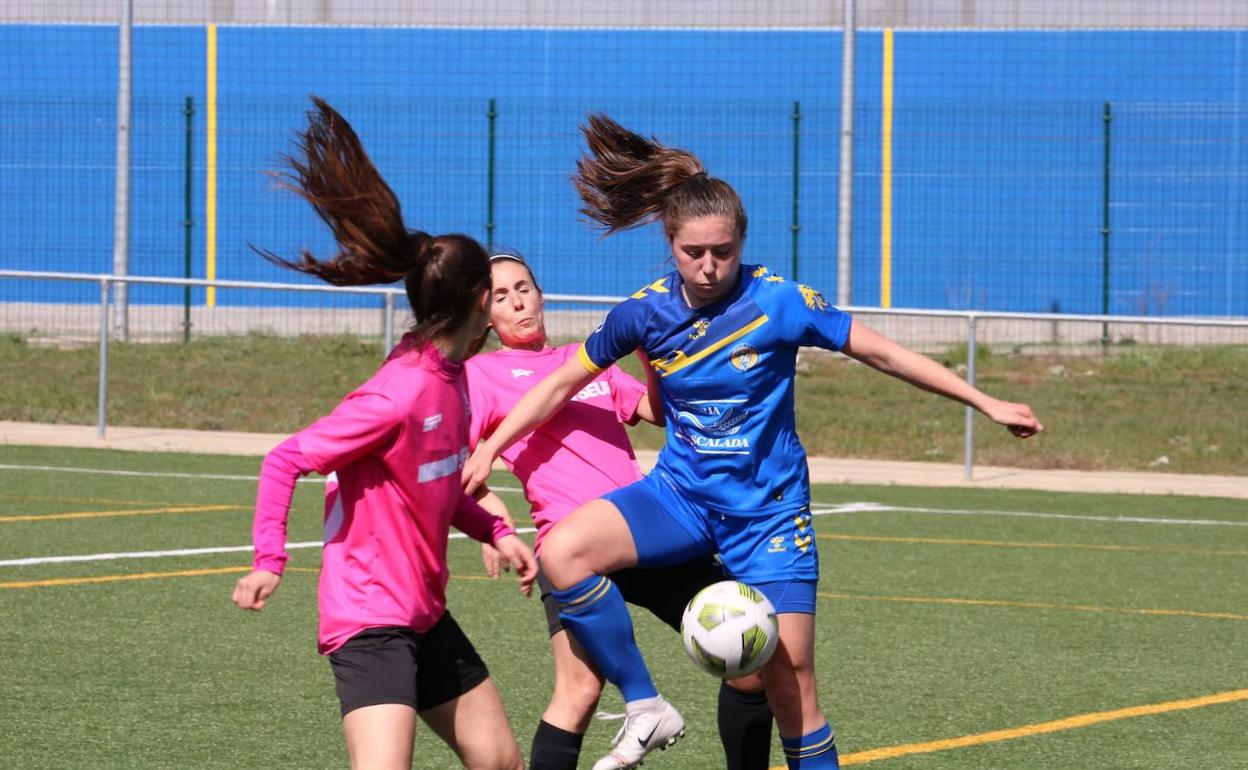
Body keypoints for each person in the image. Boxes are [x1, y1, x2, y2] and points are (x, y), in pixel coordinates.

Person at [462, 114, 1044, 770]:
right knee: (564, 551)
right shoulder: (644, 311)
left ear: (741, 241)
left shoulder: (779, 302)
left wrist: (984, 401)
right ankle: (646, 703)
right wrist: (489, 447)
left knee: (790, 688)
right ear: (670, 243)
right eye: (694, 253)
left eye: (724, 251)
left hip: (769, 517)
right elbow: (558, 385)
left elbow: (883, 353)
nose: (710, 267)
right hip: (679, 500)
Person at [230, 97, 538, 770]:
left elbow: (434, 484)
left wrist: (497, 531)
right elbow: (284, 459)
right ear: (479, 302)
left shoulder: (455, 377)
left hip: (423, 613)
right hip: (370, 620)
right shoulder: (397, 394)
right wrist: (268, 562)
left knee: (501, 762)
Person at [465, 253, 775, 770]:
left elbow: (656, 412)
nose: (517, 302)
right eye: (500, 296)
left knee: (751, 667)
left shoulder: (586, 360)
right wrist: (489, 516)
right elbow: (453, 463)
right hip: (571, 546)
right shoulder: (480, 375)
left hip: (639, 529)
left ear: (541, 294)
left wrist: (650, 356)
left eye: (523, 288)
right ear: (486, 319)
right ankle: (647, 707)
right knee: (578, 692)